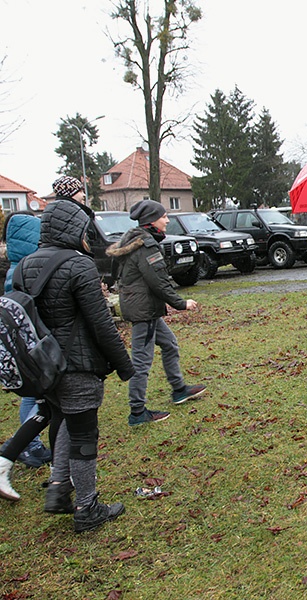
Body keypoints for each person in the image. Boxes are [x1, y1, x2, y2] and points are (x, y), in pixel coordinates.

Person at [16, 182, 135, 531]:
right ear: (74, 229)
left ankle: (57, 490)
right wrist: (124, 365)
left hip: (44, 366)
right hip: (78, 366)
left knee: (64, 420)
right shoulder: (78, 265)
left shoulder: (26, 264)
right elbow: (101, 323)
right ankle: (87, 508)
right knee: (84, 434)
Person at [107, 200, 206, 427]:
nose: (168, 220)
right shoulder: (146, 245)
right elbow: (158, 282)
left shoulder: (132, 239)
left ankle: (179, 389)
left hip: (143, 307)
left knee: (170, 344)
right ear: (152, 220)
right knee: (142, 361)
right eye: (164, 216)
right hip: (143, 311)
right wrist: (181, 303)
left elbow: (117, 274)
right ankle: (137, 412)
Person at [0, 211, 52, 469]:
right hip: (31, 348)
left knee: (33, 398)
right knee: (39, 400)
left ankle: (29, 445)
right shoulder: (22, 270)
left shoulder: (14, 267)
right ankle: (26, 446)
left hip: (25, 347)